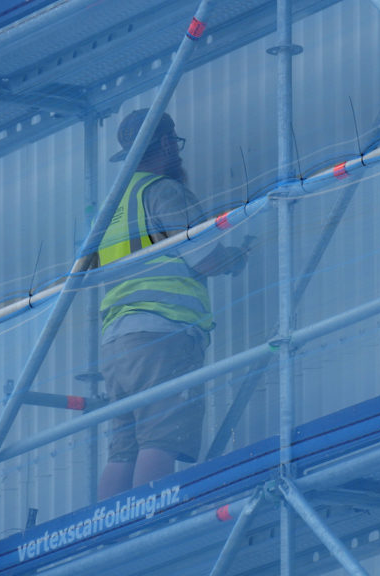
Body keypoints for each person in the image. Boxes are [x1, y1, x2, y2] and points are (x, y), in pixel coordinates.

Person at [96, 108, 245, 500]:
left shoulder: (112, 208)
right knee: (159, 438)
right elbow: (204, 257)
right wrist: (236, 257)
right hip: (161, 333)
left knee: (122, 447)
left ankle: (107, 534)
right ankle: (146, 519)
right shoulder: (163, 191)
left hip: (115, 342)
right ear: (165, 144)